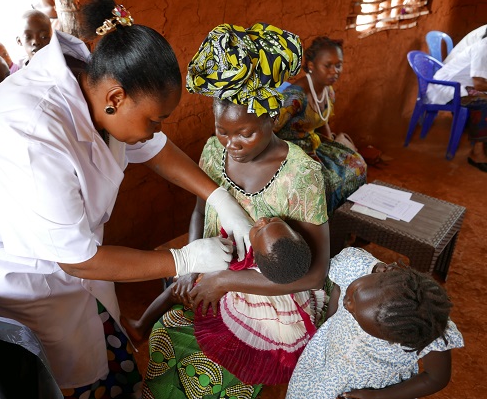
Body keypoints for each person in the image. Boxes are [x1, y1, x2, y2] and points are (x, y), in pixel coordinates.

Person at [0, 0, 254, 397]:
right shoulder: (32, 135)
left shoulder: (94, 84)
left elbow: (154, 147)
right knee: (40, 362)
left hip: (40, 225)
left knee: (89, 322)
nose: (156, 129)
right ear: (116, 98)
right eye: (154, 119)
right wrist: (184, 258)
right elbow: (78, 260)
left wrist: (218, 197)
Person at [143, 23, 331, 399]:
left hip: (272, 293)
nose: (233, 145)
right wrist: (194, 263)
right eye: (223, 132)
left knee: (209, 372)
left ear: (272, 118)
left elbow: (314, 274)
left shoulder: (301, 175)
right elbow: (200, 212)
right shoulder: (214, 151)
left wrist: (225, 282)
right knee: (162, 336)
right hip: (213, 269)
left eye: (245, 133)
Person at [286, 247, 464, 399]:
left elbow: (435, 378)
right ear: (385, 271)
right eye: (352, 294)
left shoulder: (428, 332)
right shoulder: (355, 266)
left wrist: (378, 396)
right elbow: (339, 288)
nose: (347, 304)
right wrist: (327, 322)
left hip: (378, 390)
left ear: (394, 338)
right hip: (322, 362)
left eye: (354, 313)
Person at [123, 216, 312, 343]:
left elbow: (215, 266)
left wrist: (193, 272)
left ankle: (140, 326)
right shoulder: (279, 261)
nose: (262, 220)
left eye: (261, 229)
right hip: (230, 291)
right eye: (271, 220)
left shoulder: (242, 253)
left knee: (173, 292)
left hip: (218, 292)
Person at [274, 36, 367, 215]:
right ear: (311, 66)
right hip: (287, 149)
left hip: (312, 144)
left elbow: (324, 122)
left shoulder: (328, 91)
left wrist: (334, 144)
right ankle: (327, 226)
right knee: (326, 182)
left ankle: (349, 219)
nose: (335, 71)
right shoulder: (295, 97)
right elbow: (270, 130)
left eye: (338, 65)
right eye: (328, 65)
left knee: (358, 165)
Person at [426, 36, 487, 172]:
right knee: (483, 103)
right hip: (446, 88)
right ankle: (477, 154)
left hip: (464, 86)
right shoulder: (483, 48)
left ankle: (481, 138)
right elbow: (479, 83)